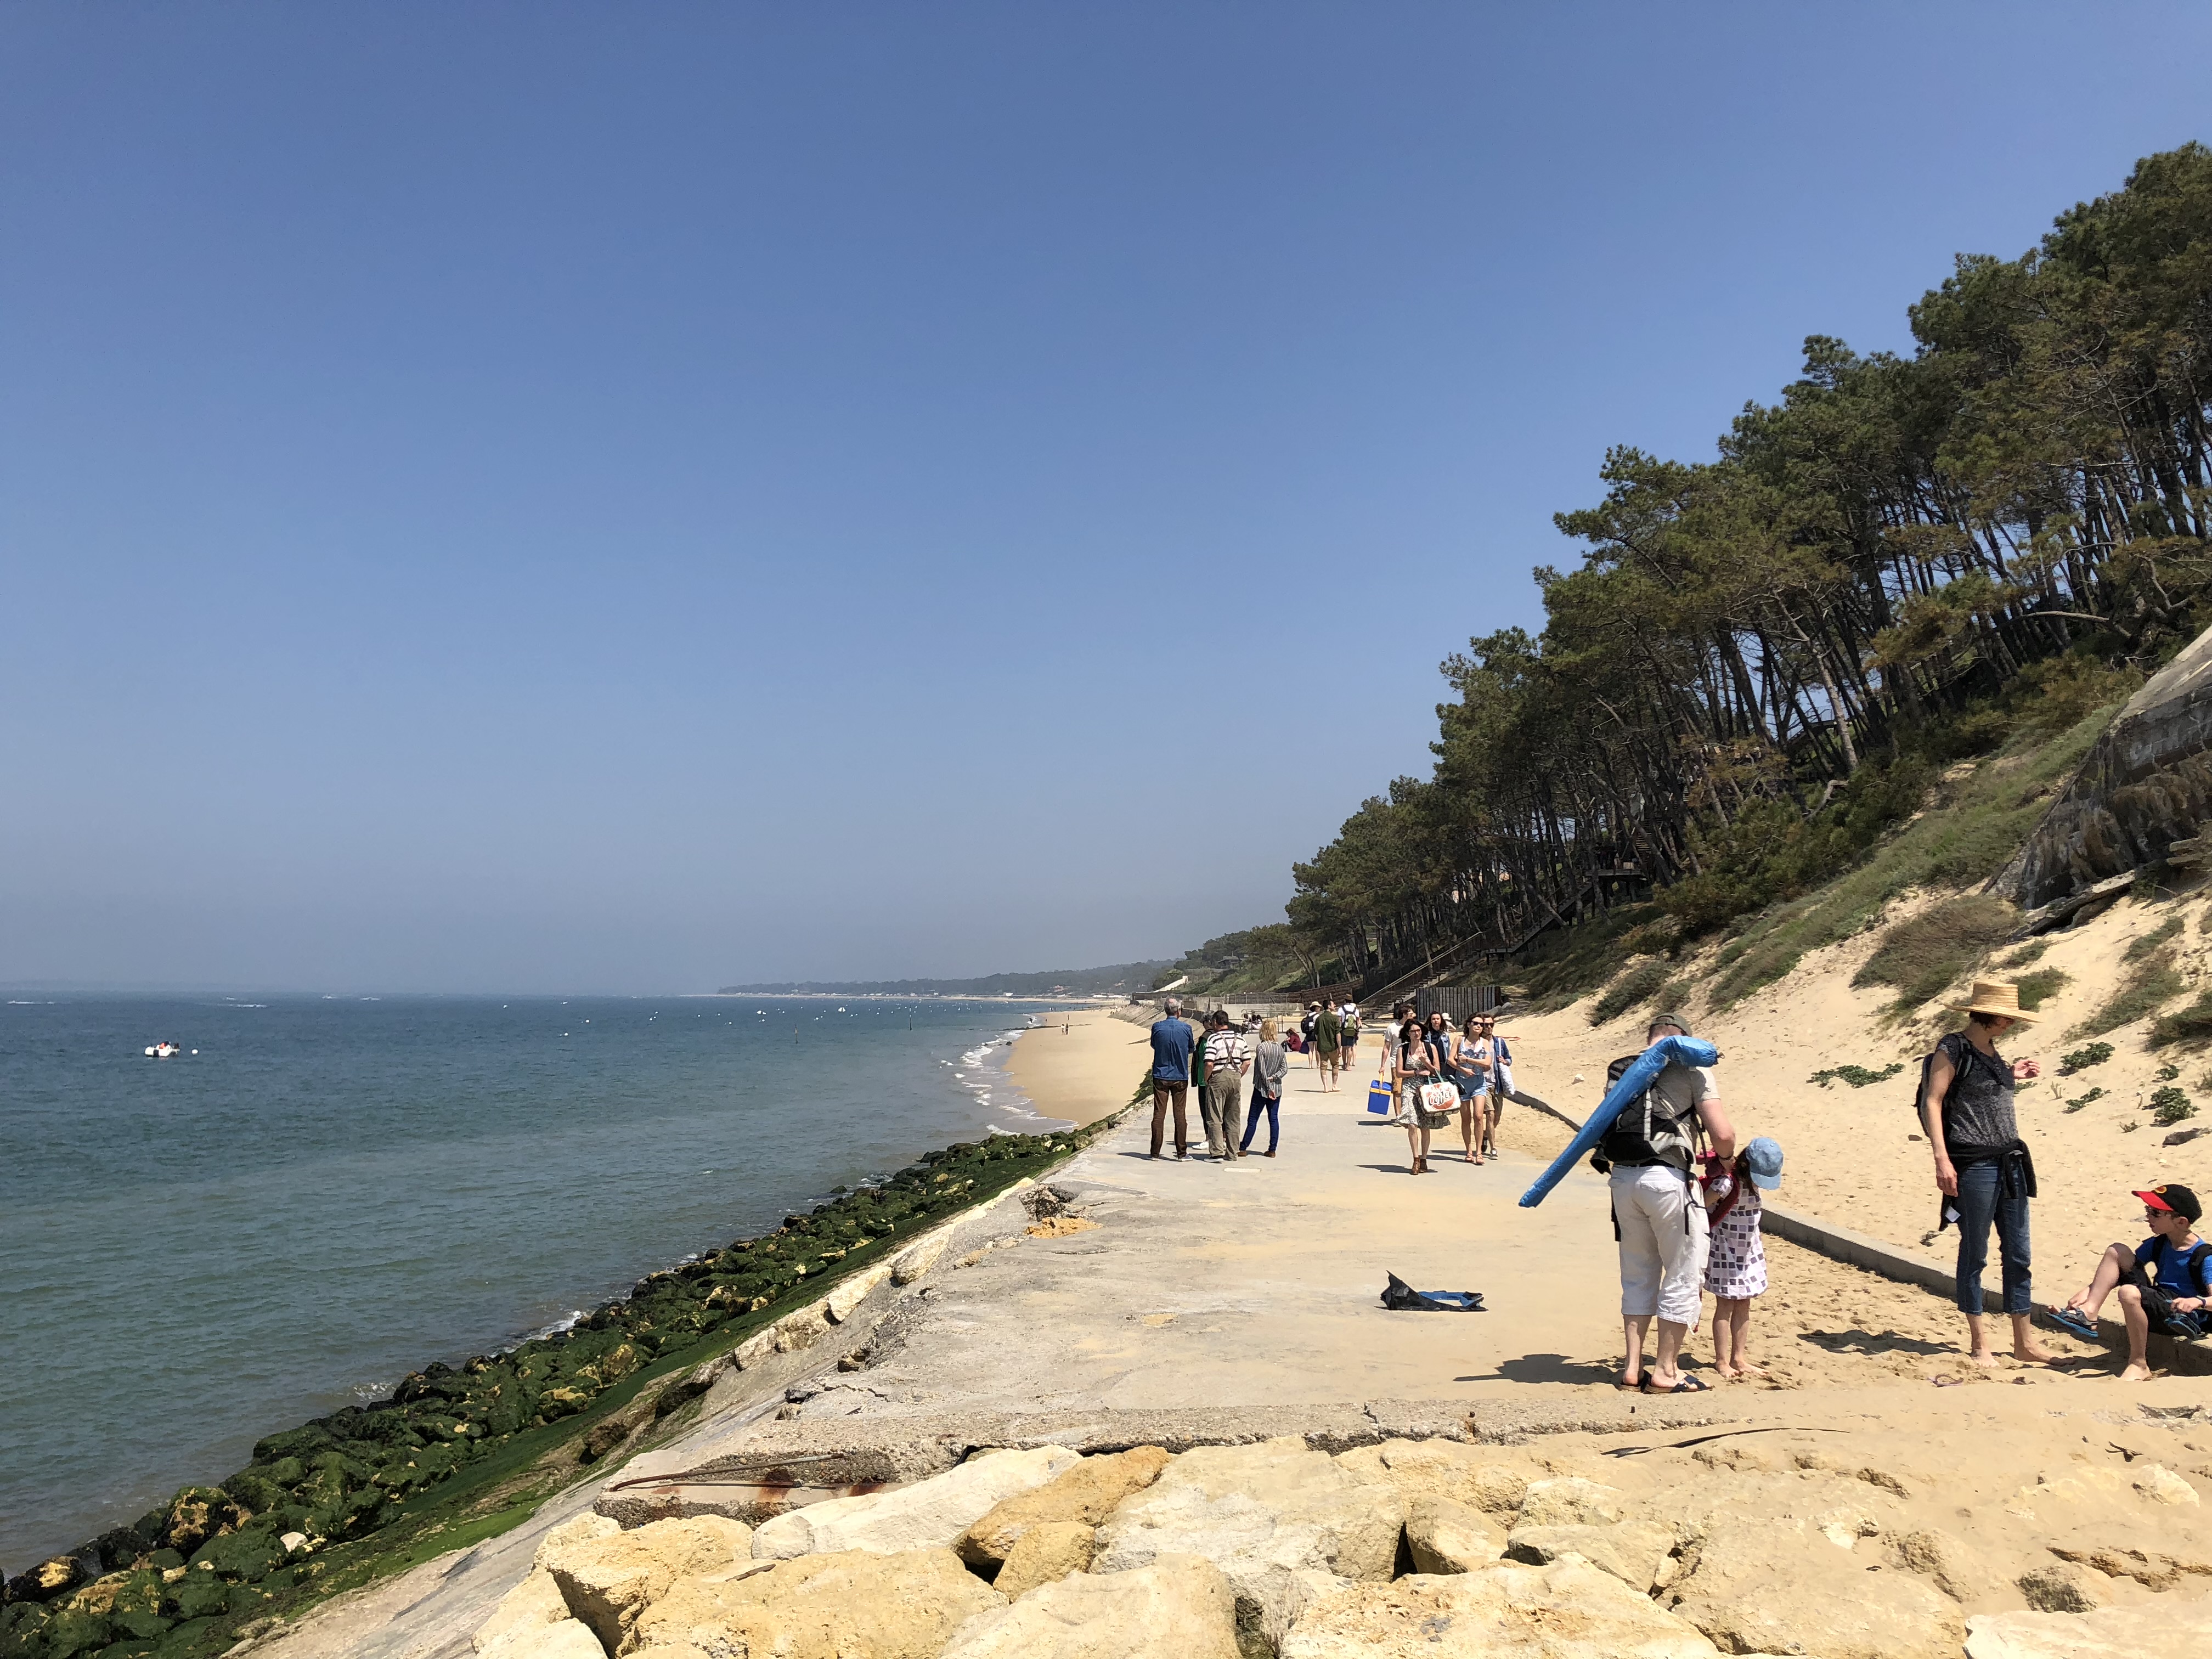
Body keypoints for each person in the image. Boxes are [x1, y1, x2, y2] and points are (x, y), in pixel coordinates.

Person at [1921, 979, 2056, 1369]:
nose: (2012, 1023)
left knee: (2018, 1253)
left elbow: (1982, 1093)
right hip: (1973, 1164)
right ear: (1991, 1015)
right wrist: (1941, 1160)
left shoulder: (1992, 1051)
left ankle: (2023, 1343)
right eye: (2008, 1017)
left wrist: (2012, 1073)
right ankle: (1980, 1344)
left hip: (2009, 1160)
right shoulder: (1952, 1047)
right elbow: (1934, 1101)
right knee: (1974, 1252)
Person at [1598, 1012, 1735, 1393]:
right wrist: (1726, 1161)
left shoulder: (1625, 1068)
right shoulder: (1694, 1068)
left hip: (1623, 1178)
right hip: (1670, 1177)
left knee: (1638, 1273)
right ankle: (1666, 1370)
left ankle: (1630, 1369)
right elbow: (1722, 1133)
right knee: (1681, 1271)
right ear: (1685, 1042)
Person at [2053, 1183, 2209, 1380]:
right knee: (2117, 1250)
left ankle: (2139, 1364)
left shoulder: (2204, 1256)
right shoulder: (2160, 1242)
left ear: (2181, 1222)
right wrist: (2088, 1293)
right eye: (2148, 1210)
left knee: (2128, 1292)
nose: (2148, 1217)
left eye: (2155, 1212)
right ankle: (2089, 1311)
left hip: (2183, 1315)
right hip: (2160, 1301)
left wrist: (2199, 1302)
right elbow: (2120, 1269)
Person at [1705, 1136, 1784, 1381]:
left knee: (1744, 1305)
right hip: (1726, 1251)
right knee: (1725, 1306)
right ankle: (1721, 1360)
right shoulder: (1727, 1184)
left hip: (1748, 1251)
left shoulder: (1752, 1185)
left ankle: (1738, 1357)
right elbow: (1701, 1206)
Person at [1391, 1006, 1450, 1175]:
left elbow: (1438, 1071)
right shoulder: (1403, 1049)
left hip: (1427, 1089)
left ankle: (1424, 1158)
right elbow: (1399, 1072)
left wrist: (1426, 1062)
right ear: (1408, 1033)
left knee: (1425, 1126)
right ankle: (1415, 1159)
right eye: (1413, 1031)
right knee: (1412, 1124)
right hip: (1409, 1088)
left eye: (1418, 1031)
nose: (1416, 1034)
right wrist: (1416, 1071)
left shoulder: (1430, 1048)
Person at [1426, 1010, 1477, 1164]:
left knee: (1444, 1086)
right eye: (1434, 1019)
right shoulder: (1426, 1034)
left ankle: (1442, 1107)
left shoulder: (1444, 1034)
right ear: (1430, 1021)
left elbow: (1449, 1052)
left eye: (1438, 1020)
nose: (1436, 1022)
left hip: (1444, 1064)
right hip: (1430, 1063)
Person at [1147, 997, 1195, 1160]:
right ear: (1179, 1011)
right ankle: (1181, 1153)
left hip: (1161, 1074)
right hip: (1180, 1075)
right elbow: (1191, 1048)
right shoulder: (1186, 1028)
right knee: (1180, 1114)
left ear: (1166, 1011)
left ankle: (1155, 1153)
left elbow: (1154, 1044)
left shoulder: (1157, 1027)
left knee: (1159, 1114)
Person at [1201, 1009, 1250, 1160]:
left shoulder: (1214, 1039)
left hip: (1218, 1077)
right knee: (1233, 1118)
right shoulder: (1240, 1038)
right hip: (1235, 1077)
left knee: (1215, 1117)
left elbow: (1209, 1063)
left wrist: (1207, 1079)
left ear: (1215, 1023)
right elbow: (1247, 1062)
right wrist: (1238, 1074)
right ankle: (1232, 1153)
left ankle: (1216, 1152)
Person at [1243, 1018, 1288, 1156]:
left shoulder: (1262, 1048)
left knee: (1253, 1118)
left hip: (1262, 1089)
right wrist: (1275, 1077)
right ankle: (1272, 1149)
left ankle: (1243, 1147)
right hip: (1277, 1088)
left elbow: (1262, 1071)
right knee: (1273, 1118)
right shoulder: (1279, 1048)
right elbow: (1284, 1069)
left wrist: (1268, 1087)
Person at [1311, 1001, 1342, 1091]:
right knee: (1335, 1065)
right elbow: (1338, 1035)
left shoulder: (1319, 1019)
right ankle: (1334, 1085)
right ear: (1329, 1006)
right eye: (1333, 1004)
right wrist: (1339, 1047)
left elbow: (1316, 1034)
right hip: (1333, 1047)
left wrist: (1320, 1042)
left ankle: (1326, 1087)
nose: (1335, 1005)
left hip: (1322, 1047)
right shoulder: (1334, 1019)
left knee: (1323, 1067)